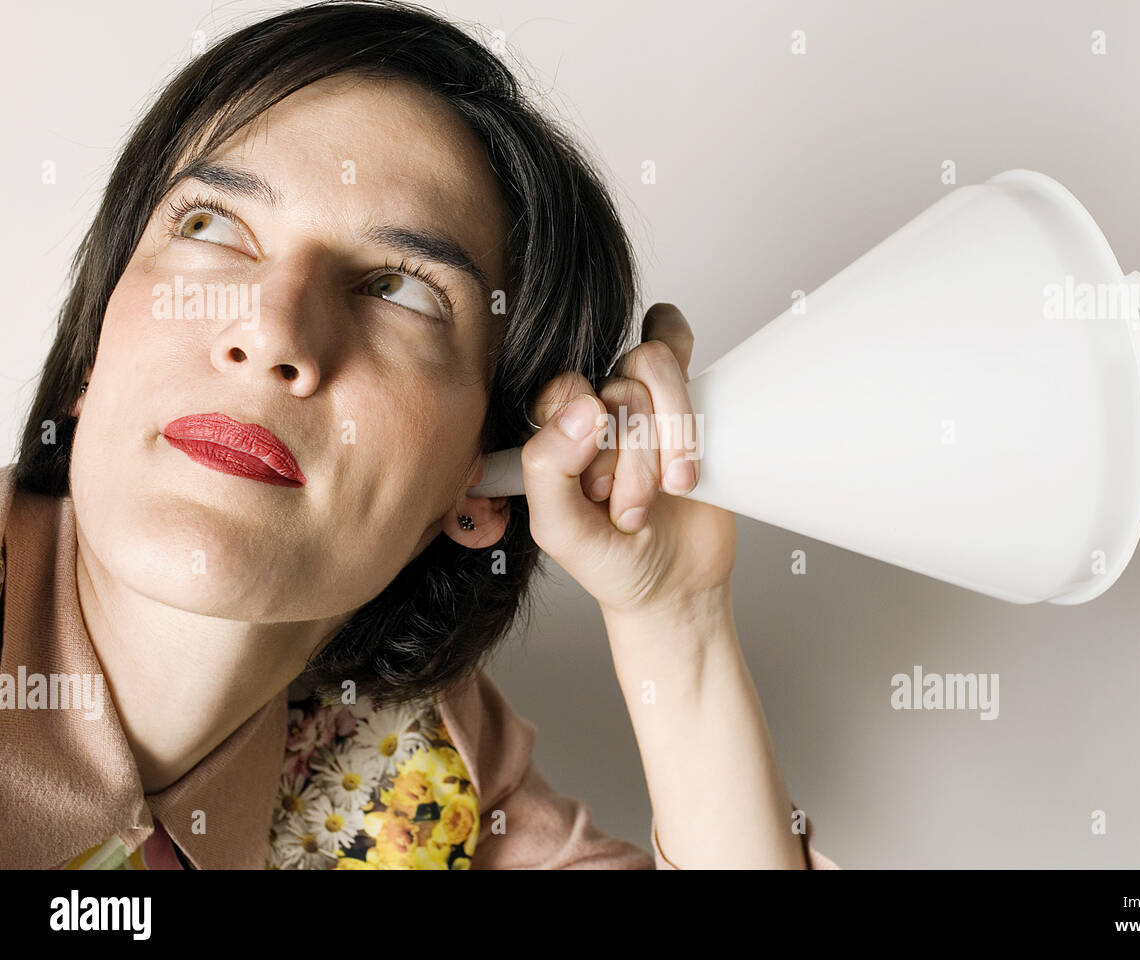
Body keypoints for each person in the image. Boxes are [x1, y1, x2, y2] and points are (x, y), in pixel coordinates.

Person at [0, 0, 837, 870]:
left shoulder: (422, 784)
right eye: (210, 226)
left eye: (399, 289)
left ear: (480, 485)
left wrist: (677, 617)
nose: (273, 332)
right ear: (90, 356)